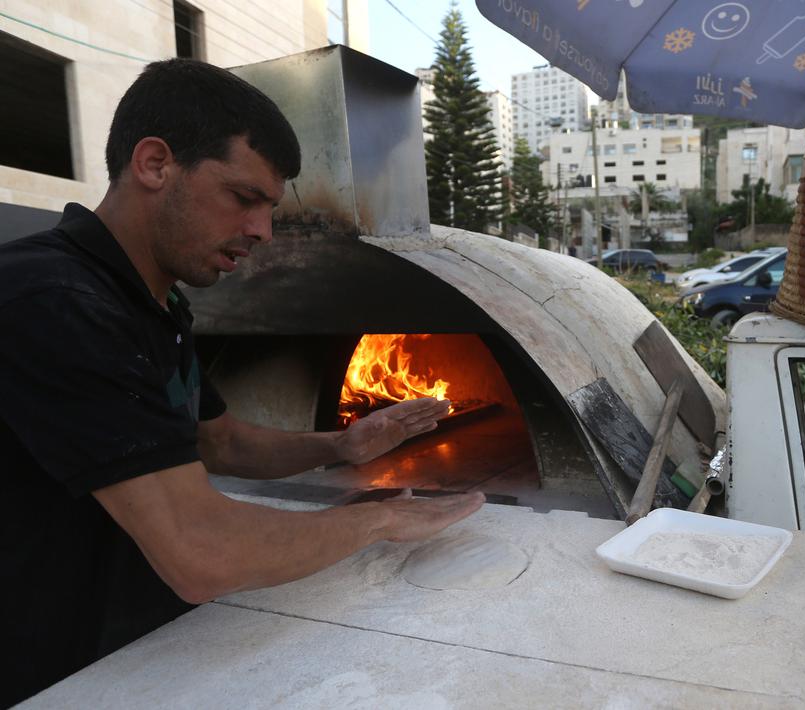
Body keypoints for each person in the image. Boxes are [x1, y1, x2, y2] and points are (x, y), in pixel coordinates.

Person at [0, 58, 485, 705]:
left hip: (142, 654)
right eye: (244, 198)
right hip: (42, 671)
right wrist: (379, 522)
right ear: (154, 164)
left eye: (270, 208)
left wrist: (340, 447)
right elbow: (200, 552)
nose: (262, 231)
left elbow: (219, 442)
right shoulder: (54, 299)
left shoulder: (156, 303)